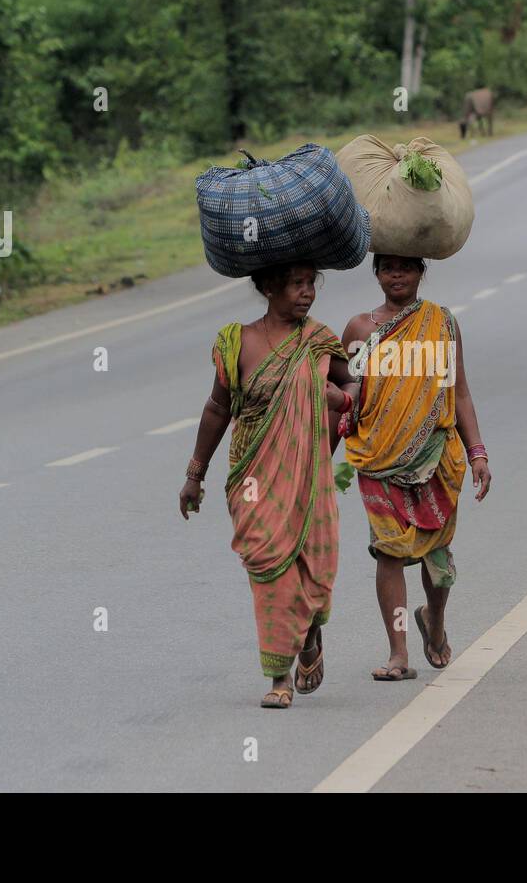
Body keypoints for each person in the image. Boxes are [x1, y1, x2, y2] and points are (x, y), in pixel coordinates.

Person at [179, 262, 353, 709]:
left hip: (309, 474)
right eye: (297, 284)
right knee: (269, 564)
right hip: (253, 476)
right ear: (268, 287)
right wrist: (194, 475)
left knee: (312, 570)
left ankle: (311, 634)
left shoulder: (318, 340)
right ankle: (279, 675)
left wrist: (341, 398)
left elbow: (350, 386)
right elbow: (217, 409)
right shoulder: (238, 342)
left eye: (311, 283)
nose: (307, 293)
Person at [340, 254, 491, 681]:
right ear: (376, 274)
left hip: (436, 460)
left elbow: (458, 392)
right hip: (378, 459)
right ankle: (398, 652)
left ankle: (435, 621)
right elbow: (346, 391)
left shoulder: (441, 322)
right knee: (388, 553)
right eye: (388, 267)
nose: (397, 275)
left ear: (422, 272)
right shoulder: (359, 329)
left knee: (438, 567)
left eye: (406, 267)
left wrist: (477, 452)